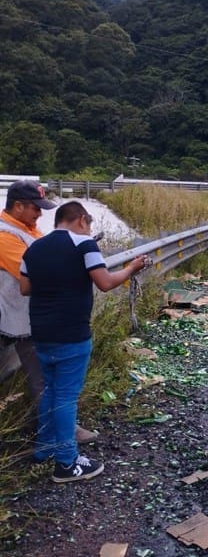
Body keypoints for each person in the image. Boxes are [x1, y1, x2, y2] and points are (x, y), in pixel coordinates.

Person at [20, 201, 151, 482]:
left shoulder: (33, 248)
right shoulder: (84, 244)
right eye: (89, 224)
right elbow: (104, 282)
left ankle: (44, 449)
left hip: (41, 333)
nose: (89, 229)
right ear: (81, 220)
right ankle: (67, 463)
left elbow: (25, 287)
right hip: (71, 333)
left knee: (51, 392)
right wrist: (131, 268)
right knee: (66, 397)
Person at [0, 181, 98, 445]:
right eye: (35, 208)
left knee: (50, 381)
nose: (39, 214)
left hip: (41, 318)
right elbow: (41, 270)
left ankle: (51, 439)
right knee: (46, 383)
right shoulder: (5, 236)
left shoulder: (29, 230)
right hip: (23, 321)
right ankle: (62, 442)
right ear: (17, 205)